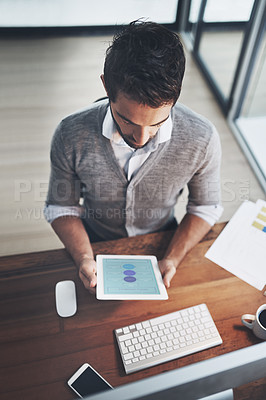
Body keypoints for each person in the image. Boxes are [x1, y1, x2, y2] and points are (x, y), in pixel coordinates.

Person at [44, 21, 223, 293]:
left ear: (175, 97)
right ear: (106, 87)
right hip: (94, 240)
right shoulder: (70, 133)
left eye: (156, 124)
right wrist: (83, 256)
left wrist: (173, 257)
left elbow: (205, 207)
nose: (141, 139)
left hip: (165, 240)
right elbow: (62, 207)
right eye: (127, 121)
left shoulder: (203, 137)